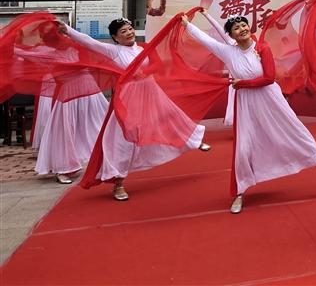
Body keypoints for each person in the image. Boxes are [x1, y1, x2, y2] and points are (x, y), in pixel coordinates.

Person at [182, 13, 316, 214]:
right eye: (236, 28)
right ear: (231, 35)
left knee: (294, 131)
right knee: (244, 148)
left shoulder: (262, 48)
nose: (242, 29)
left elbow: (269, 78)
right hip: (247, 103)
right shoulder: (228, 52)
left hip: (270, 99)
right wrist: (187, 25)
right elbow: (207, 40)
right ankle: (240, 192)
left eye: (243, 25)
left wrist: (242, 83)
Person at [62, 18, 210, 201]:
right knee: (123, 141)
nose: (129, 33)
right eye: (123, 32)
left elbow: (160, 60)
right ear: (115, 38)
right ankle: (118, 184)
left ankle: (194, 139)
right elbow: (89, 42)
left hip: (151, 93)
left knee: (171, 116)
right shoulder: (114, 51)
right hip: (129, 99)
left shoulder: (142, 49)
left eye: (130, 28)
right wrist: (68, 30)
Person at [14, 28, 108, 184]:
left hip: (89, 91)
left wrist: (67, 29)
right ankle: (62, 168)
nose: (64, 38)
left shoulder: (77, 46)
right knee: (64, 132)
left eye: (64, 35)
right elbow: (21, 52)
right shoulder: (47, 52)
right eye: (60, 36)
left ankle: (109, 158)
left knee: (102, 124)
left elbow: (91, 43)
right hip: (69, 93)